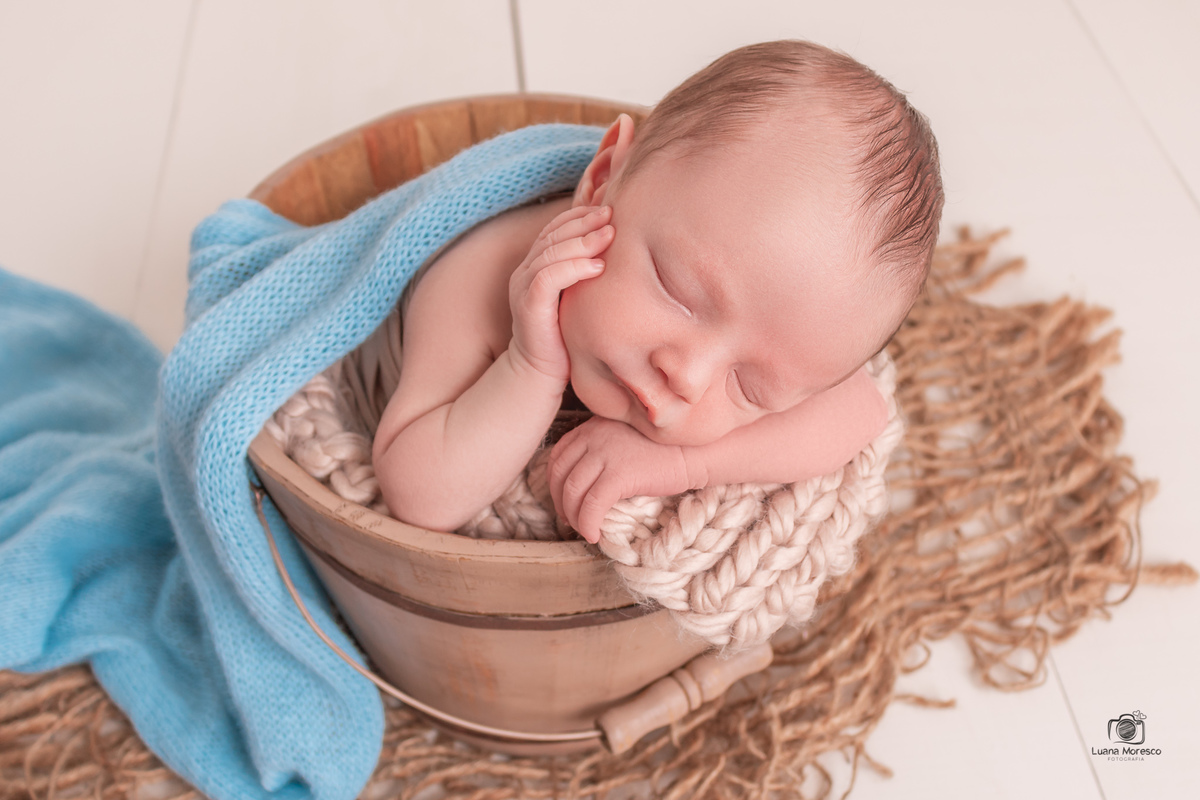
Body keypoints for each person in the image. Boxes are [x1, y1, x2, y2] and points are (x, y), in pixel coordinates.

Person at [372, 40, 944, 544]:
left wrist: (682, 465)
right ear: (602, 181)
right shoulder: (476, 283)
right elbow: (418, 495)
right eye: (678, 292)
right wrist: (530, 366)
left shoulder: (779, 338)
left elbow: (861, 411)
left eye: (750, 387)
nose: (687, 377)